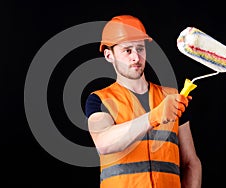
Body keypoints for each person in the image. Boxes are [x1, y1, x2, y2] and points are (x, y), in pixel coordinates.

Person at [85, 15, 202, 188]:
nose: (136, 57)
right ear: (109, 55)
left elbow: (190, 163)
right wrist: (154, 116)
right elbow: (104, 143)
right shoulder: (100, 99)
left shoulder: (172, 97)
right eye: (127, 50)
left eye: (140, 48)